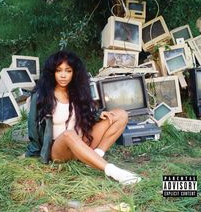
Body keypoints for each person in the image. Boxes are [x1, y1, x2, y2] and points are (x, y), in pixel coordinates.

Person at [26, 50, 141, 185]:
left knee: (121, 114)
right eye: (59, 70)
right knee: (69, 134)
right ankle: (114, 171)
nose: (63, 75)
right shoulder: (42, 95)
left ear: (74, 73)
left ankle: (96, 156)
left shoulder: (77, 91)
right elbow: (33, 127)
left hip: (82, 142)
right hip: (59, 150)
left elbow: (85, 115)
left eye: (68, 71)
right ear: (52, 72)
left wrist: (98, 115)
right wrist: (32, 153)